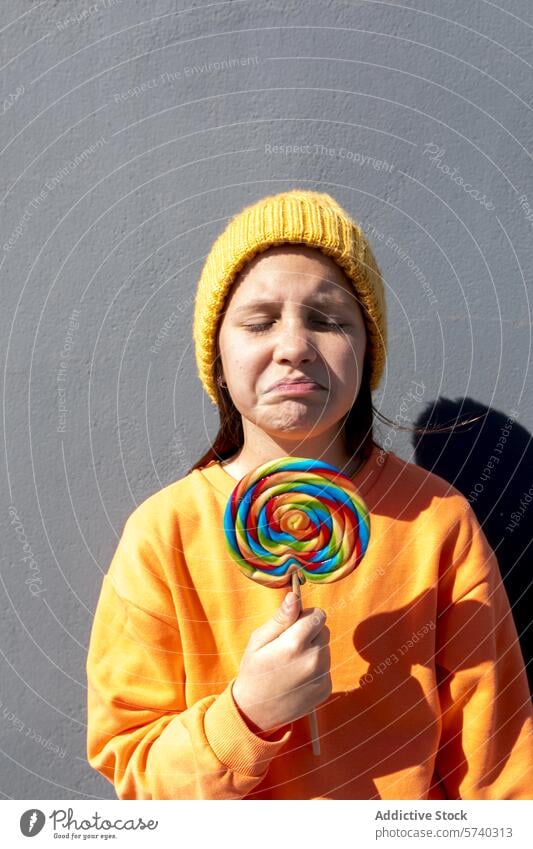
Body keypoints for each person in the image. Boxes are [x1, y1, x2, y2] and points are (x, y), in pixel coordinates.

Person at [86, 189, 533, 799]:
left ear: (367, 348)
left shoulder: (438, 525)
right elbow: (133, 770)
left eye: (327, 320)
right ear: (218, 354)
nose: (294, 345)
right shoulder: (164, 533)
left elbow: (500, 765)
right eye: (260, 321)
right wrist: (246, 715)